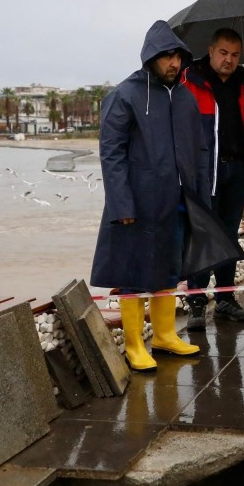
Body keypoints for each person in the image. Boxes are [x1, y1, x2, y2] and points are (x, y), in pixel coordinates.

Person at [90, 21, 213, 370]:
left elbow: (200, 150)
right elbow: (110, 154)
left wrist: (200, 198)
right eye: (166, 57)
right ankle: (134, 345)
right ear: (150, 58)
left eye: (177, 56)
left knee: (170, 271)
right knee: (132, 274)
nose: (174, 63)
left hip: (176, 203)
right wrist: (121, 204)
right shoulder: (124, 95)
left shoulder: (185, 97)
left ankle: (164, 335)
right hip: (136, 206)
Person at [181, 28, 244, 330]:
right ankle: (197, 303)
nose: (229, 60)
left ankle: (226, 299)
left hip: (238, 169)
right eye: (224, 53)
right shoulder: (190, 79)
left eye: (235, 55)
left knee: (228, 235)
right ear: (211, 50)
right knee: (202, 235)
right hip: (204, 172)